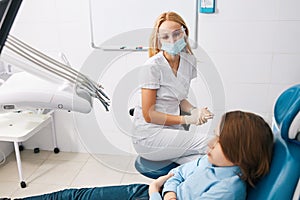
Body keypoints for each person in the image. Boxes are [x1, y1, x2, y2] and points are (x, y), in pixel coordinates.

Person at [14, 110, 274, 200]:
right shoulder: (211, 161)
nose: (210, 143)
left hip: (150, 195)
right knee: (77, 195)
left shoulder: (227, 190)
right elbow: (178, 173)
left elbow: (173, 178)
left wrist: (158, 190)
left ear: (240, 154)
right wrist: (168, 190)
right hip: (150, 193)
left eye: (219, 141)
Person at [132, 11, 214, 164]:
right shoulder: (152, 67)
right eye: (165, 37)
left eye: (177, 34)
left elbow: (179, 98)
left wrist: (195, 110)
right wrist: (188, 119)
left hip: (172, 131)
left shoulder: (189, 61)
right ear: (159, 40)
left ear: (184, 33)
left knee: (203, 161)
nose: (172, 40)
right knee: (212, 143)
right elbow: (149, 115)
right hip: (150, 135)